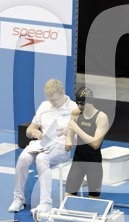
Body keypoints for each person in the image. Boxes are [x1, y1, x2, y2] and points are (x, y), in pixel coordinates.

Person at [8, 79, 78, 213]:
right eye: (50, 100)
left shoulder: (73, 108)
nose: (52, 103)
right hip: (42, 144)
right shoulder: (44, 106)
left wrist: (68, 132)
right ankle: (18, 198)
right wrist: (34, 132)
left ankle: (46, 202)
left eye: (55, 100)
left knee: (41, 159)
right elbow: (29, 130)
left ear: (63, 93)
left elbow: (79, 136)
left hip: (61, 147)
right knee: (23, 159)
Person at [64, 87, 110, 198]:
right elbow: (70, 130)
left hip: (94, 162)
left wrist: (77, 128)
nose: (79, 106)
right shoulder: (76, 113)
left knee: (93, 199)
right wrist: (69, 141)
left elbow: (95, 144)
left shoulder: (101, 117)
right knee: (69, 196)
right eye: (77, 103)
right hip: (78, 159)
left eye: (82, 104)